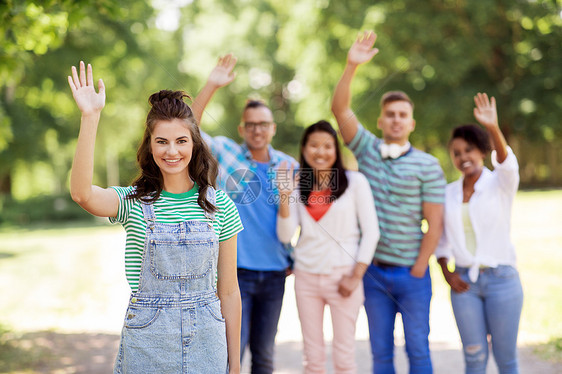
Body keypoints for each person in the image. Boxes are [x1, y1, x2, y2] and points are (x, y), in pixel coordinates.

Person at [67, 61, 243, 373]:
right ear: (149, 146)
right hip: (148, 345)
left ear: (194, 144)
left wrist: (236, 364)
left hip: (208, 343)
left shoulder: (221, 206)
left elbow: (228, 292)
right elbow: (83, 194)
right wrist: (90, 117)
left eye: (181, 141)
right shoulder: (132, 201)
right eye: (161, 141)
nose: (171, 151)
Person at [331, 31, 446, 374]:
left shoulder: (428, 165)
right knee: (380, 354)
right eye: (390, 114)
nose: (396, 119)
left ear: (411, 123)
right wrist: (352, 65)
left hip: (412, 275)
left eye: (402, 115)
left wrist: (419, 267)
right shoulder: (366, 149)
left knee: (418, 351)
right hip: (374, 275)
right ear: (380, 121)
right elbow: (339, 108)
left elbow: (435, 223)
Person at [192, 54, 297, 374]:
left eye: (263, 124)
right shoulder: (226, 152)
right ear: (242, 128)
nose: (257, 130)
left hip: (276, 273)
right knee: (230, 354)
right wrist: (211, 85)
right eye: (250, 125)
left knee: (265, 356)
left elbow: (294, 220)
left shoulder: (288, 165)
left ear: (272, 128)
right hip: (234, 273)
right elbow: (188, 127)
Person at [276, 120, 380, 374]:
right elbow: (286, 236)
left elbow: (372, 233)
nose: (320, 152)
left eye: (327, 146)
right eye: (313, 146)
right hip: (306, 278)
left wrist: (355, 277)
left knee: (344, 359)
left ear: (336, 150)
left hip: (344, 277)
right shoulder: (298, 186)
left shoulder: (356, 183)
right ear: (304, 149)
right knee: (313, 360)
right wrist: (284, 198)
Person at [435, 93, 523, 374]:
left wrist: (493, 128)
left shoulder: (500, 184)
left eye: (469, 150)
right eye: (457, 153)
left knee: (506, 359)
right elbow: (441, 238)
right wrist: (446, 271)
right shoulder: (447, 193)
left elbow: (507, 163)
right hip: (465, 285)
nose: (463, 158)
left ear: (482, 152)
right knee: (473, 358)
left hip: (502, 280)